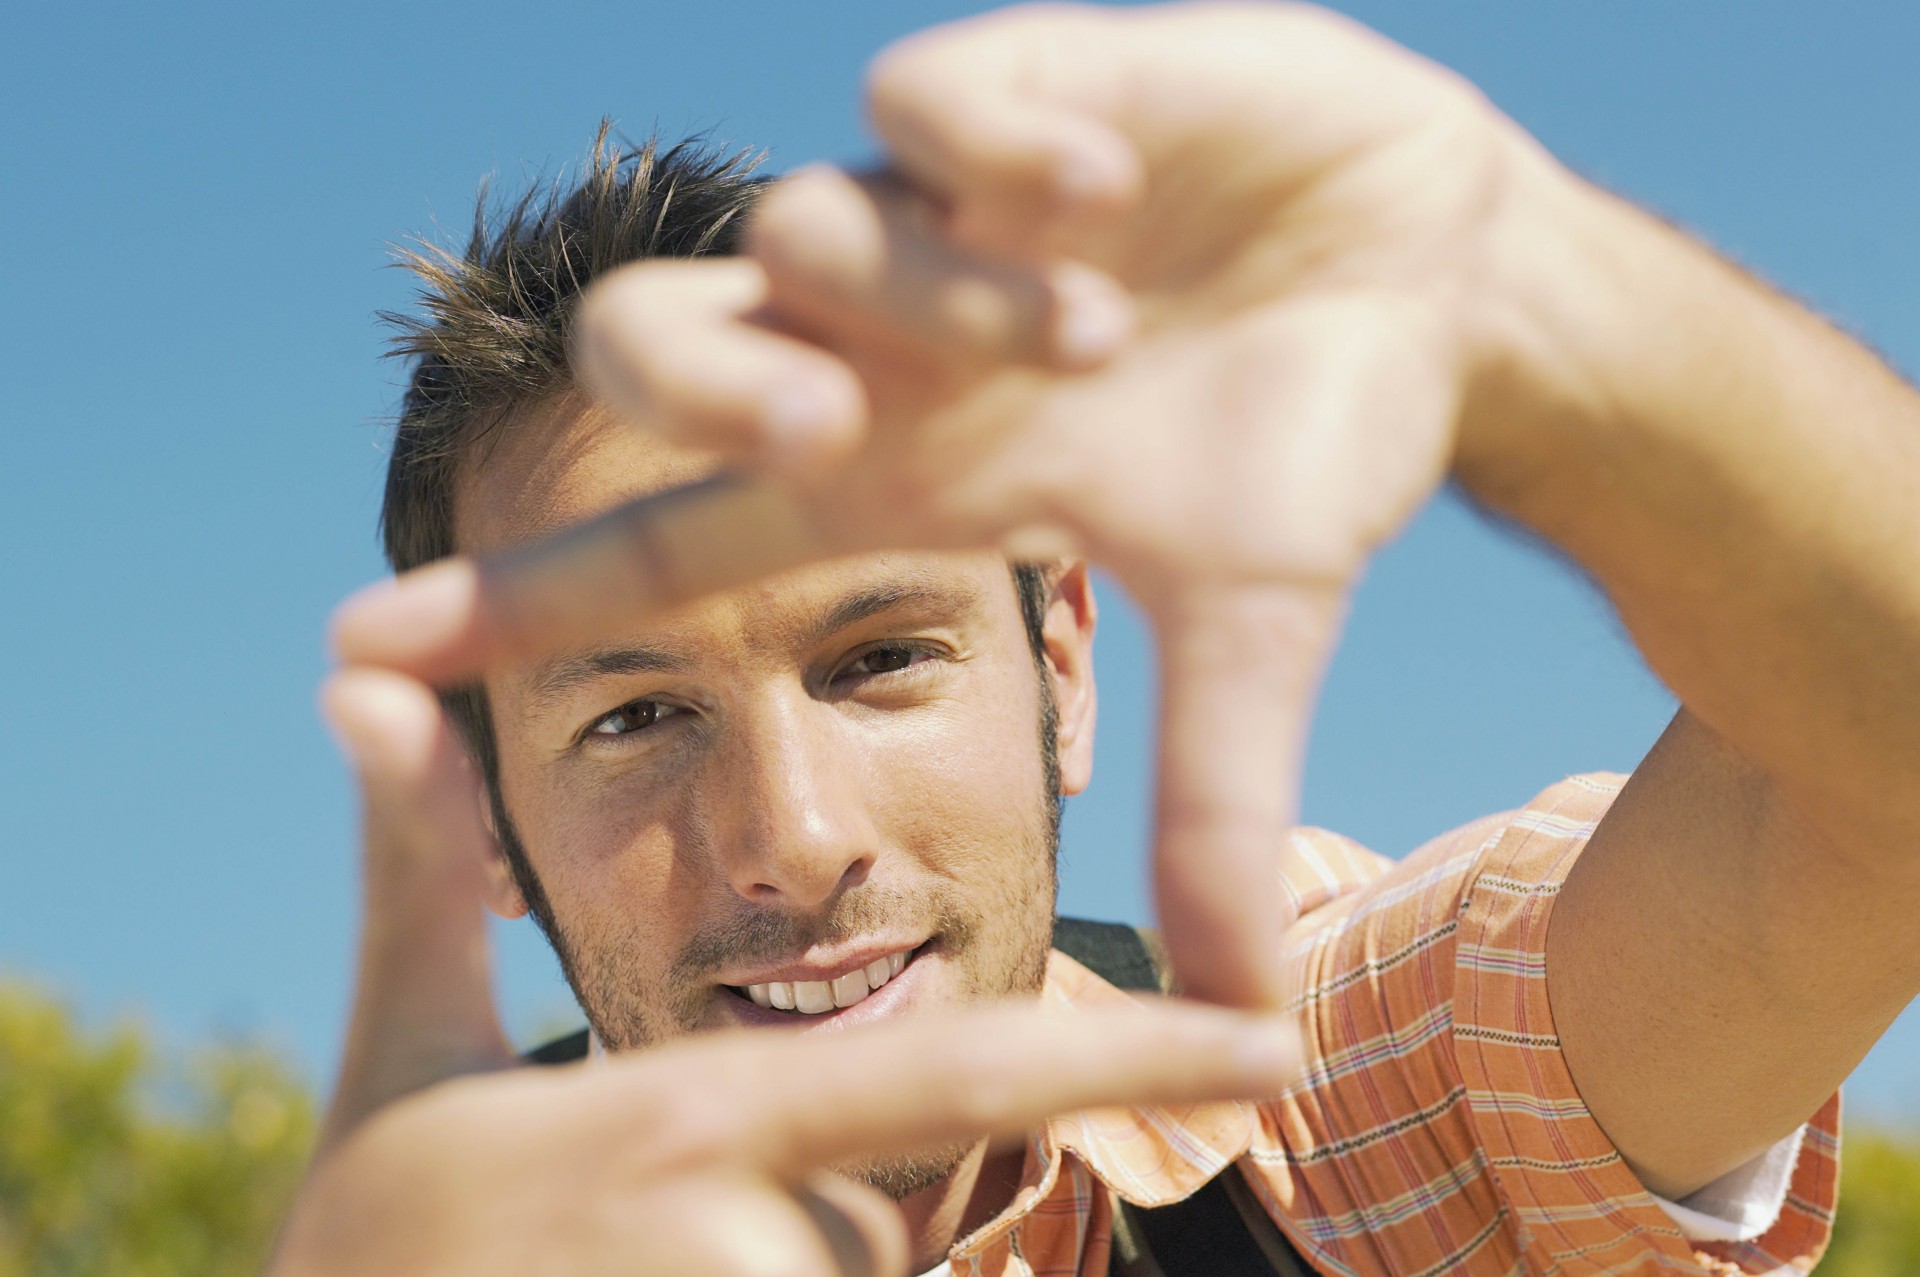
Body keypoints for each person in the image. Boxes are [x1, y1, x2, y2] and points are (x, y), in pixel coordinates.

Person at [275, 4, 1918, 1275]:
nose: (793, 837)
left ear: (1059, 659)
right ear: (480, 810)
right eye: (635, 717)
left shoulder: (1320, 1108)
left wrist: (1539, 288)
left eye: (880, 658)